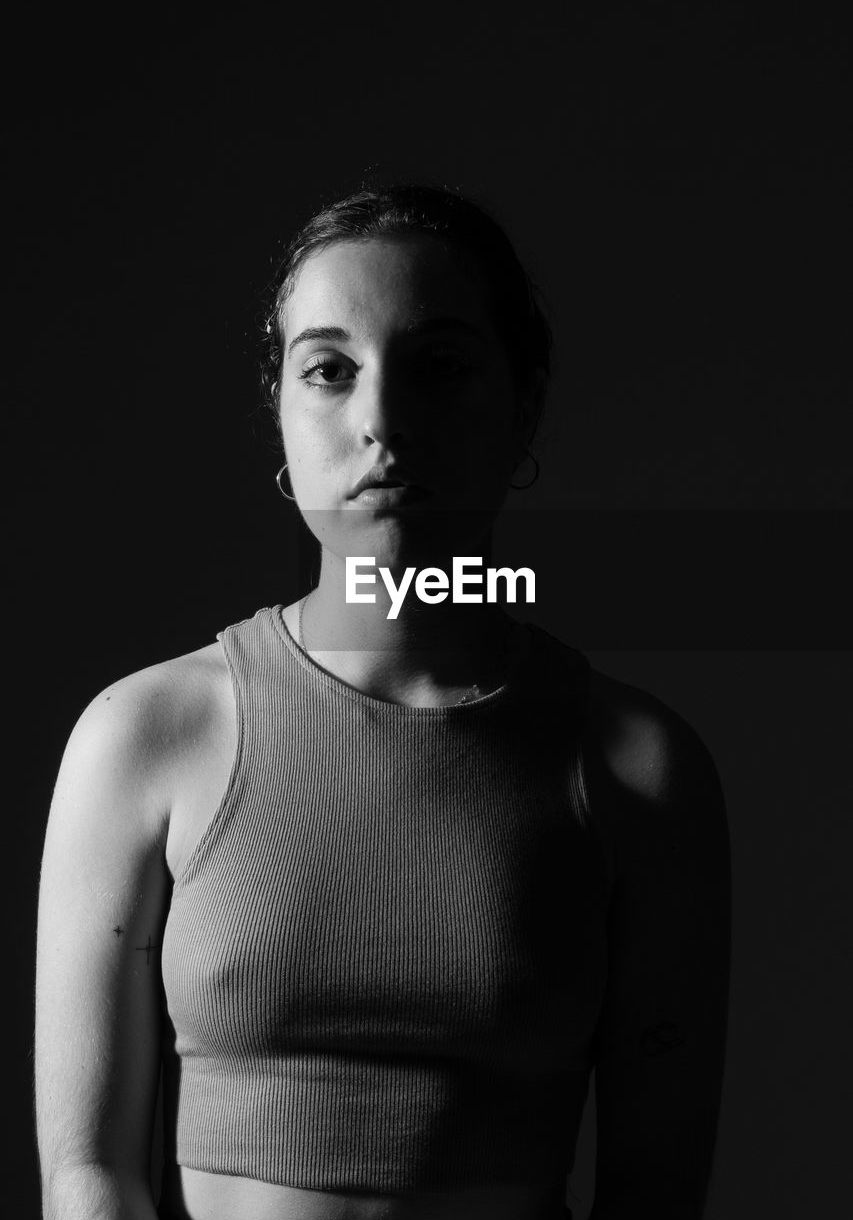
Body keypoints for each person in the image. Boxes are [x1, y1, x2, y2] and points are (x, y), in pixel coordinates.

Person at [34, 183, 732, 1220]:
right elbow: (90, 1177)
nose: (380, 420)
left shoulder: (634, 765)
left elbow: (655, 1193)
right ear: (281, 412)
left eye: (439, 368)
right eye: (329, 370)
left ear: (523, 401)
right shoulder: (145, 737)